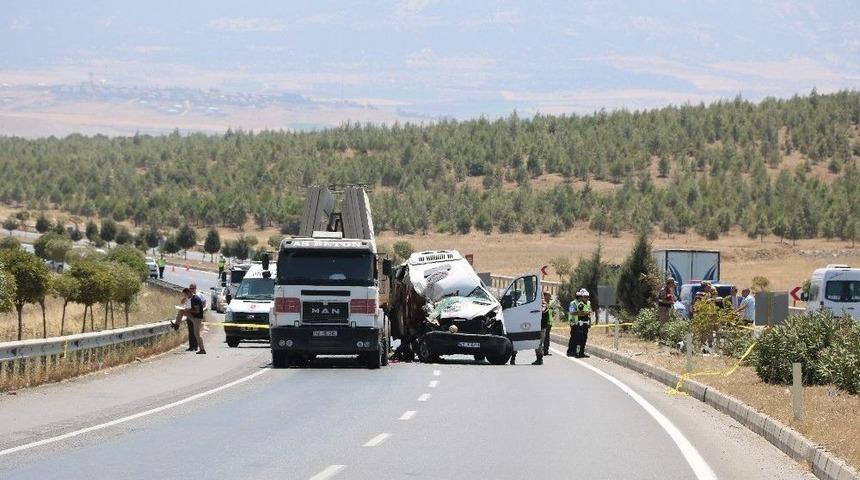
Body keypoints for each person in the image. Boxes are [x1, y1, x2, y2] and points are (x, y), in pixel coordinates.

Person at [567, 289, 592, 358]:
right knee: (574, 338)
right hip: (574, 322)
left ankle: (578, 352)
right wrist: (586, 312)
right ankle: (570, 351)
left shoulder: (585, 303)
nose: (584, 298)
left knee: (580, 338)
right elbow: (572, 312)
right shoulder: (573, 303)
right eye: (582, 296)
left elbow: (588, 312)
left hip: (581, 323)